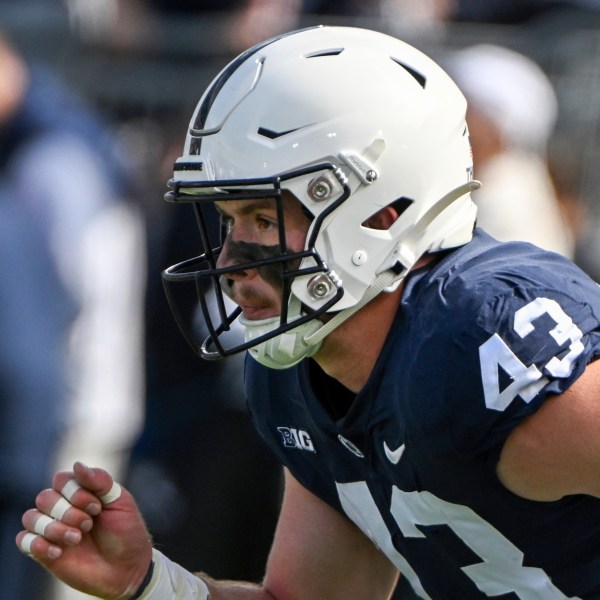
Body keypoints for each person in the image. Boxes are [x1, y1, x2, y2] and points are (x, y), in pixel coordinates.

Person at [16, 25, 600, 599]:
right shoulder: (298, 368)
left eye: (264, 220)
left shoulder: (486, 340)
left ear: (382, 215)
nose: (232, 259)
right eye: (230, 220)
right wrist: (151, 585)